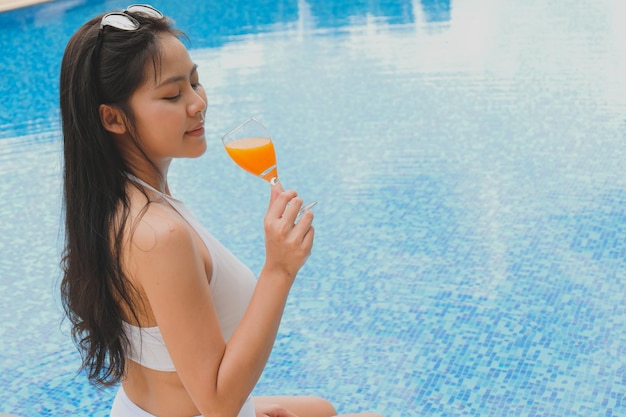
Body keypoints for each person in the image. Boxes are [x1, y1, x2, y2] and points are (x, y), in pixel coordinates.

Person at [59, 5, 384, 417]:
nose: (197, 104)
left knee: (320, 408)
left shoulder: (118, 201)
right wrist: (279, 269)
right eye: (173, 94)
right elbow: (216, 403)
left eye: (195, 82)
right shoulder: (158, 235)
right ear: (112, 118)